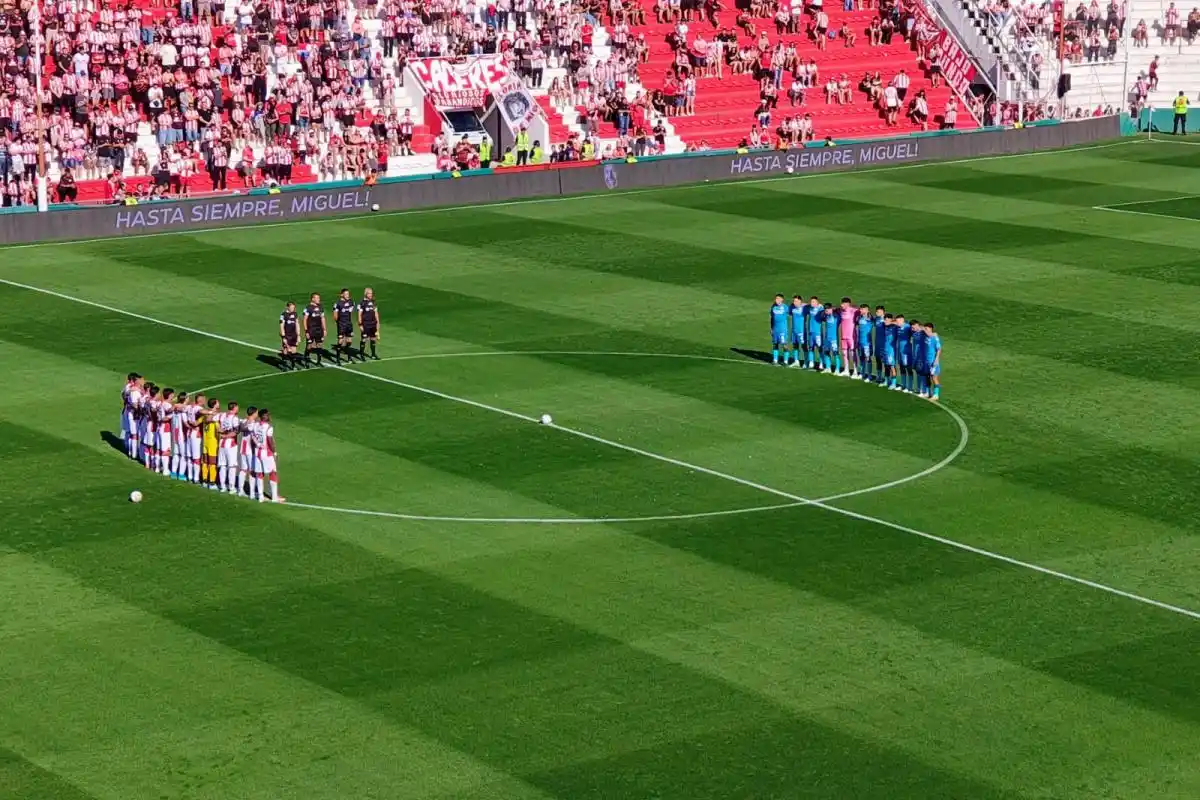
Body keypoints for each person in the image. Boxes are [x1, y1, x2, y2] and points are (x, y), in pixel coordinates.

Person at [218, 402, 242, 494]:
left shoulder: (223, 415)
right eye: (237, 407)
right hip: (230, 444)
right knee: (231, 466)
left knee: (222, 465)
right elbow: (236, 431)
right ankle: (231, 488)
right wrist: (226, 436)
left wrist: (222, 432)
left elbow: (216, 423)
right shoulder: (235, 418)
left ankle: (222, 486)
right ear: (234, 408)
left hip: (221, 444)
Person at [333, 288, 356, 363]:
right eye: (346, 294)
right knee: (340, 341)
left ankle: (349, 357)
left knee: (349, 341)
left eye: (348, 294)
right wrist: (339, 323)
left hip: (349, 324)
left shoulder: (351, 302)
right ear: (341, 294)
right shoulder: (338, 304)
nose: (347, 295)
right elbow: (335, 316)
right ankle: (338, 359)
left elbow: (351, 310)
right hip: (341, 324)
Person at [201, 398, 221, 489]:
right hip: (213, 442)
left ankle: (204, 480)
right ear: (215, 404)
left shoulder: (205, 414)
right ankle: (212, 483)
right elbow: (217, 427)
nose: (219, 403)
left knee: (205, 462)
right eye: (218, 402)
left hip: (205, 441)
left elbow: (197, 422)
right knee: (212, 462)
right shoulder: (215, 415)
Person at [303, 293, 326, 366]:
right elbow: (304, 320)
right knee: (309, 345)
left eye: (319, 298)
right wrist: (306, 331)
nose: (319, 299)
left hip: (319, 329)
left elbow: (322, 318)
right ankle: (306, 359)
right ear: (313, 299)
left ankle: (319, 361)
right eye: (317, 298)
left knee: (319, 345)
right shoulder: (308, 308)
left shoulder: (320, 307)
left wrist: (324, 329)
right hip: (311, 329)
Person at [358, 287, 381, 360]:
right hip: (365, 324)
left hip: (373, 323)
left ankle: (373, 354)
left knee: (373, 339)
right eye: (369, 293)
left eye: (371, 293)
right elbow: (359, 314)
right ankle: (361, 355)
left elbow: (376, 313)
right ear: (365, 294)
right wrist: (360, 324)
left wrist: (378, 322)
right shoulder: (362, 303)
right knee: (364, 339)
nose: (371, 295)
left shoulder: (373, 302)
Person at [837, 296, 856, 376]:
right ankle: (846, 369)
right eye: (841, 303)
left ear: (848, 304)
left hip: (851, 337)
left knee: (852, 354)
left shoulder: (853, 311)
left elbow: (864, 312)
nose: (842, 305)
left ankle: (855, 371)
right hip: (843, 336)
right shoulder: (840, 311)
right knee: (844, 354)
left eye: (843, 304)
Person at [923, 323, 942, 401]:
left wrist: (936, 359)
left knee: (934, 377)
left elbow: (939, 349)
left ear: (931, 329)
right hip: (927, 361)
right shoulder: (926, 336)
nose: (925, 331)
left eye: (926, 329)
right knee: (927, 377)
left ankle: (936, 394)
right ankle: (928, 393)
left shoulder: (935, 337)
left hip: (933, 362)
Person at [893, 313, 912, 392]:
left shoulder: (908, 327)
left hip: (906, 351)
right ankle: (903, 385)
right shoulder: (898, 327)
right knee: (901, 367)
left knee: (908, 368)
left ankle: (909, 387)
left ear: (902, 320)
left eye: (898, 322)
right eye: (896, 322)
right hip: (899, 351)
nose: (897, 323)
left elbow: (916, 330)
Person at [855, 304, 873, 381]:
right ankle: (862, 373)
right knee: (861, 357)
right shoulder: (859, 318)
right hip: (860, 341)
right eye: (860, 309)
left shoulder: (870, 318)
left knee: (868, 358)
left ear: (867, 310)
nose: (861, 310)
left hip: (867, 343)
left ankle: (869, 375)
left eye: (863, 309)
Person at [280, 301, 300, 369]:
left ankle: (293, 365)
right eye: (291, 307)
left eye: (293, 308)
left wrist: (298, 335)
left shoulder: (295, 314)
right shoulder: (283, 315)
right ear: (287, 307)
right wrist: (283, 337)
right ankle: (284, 366)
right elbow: (281, 326)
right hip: (287, 335)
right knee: (285, 349)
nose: (293, 309)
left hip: (293, 335)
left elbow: (297, 324)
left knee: (294, 350)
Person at [770, 293, 789, 364]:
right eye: (776, 299)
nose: (776, 300)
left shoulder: (785, 307)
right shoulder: (773, 307)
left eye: (778, 299)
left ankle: (786, 361)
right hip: (775, 329)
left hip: (783, 329)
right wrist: (771, 328)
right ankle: (775, 360)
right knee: (775, 344)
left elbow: (793, 310)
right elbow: (772, 318)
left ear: (782, 299)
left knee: (784, 344)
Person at [910, 320, 927, 396]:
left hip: (922, 356)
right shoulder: (913, 332)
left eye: (913, 326)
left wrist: (923, 328)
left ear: (917, 325)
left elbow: (932, 334)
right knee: (917, 372)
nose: (912, 328)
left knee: (923, 373)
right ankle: (919, 388)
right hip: (915, 355)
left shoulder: (923, 332)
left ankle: (924, 390)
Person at [788, 295, 806, 367]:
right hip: (794, 330)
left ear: (800, 301)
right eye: (794, 301)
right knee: (795, 345)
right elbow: (789, 312)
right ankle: (796, 361)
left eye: (796, 301)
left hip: (801, 331)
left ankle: (806, 361)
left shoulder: (804, 308)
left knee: (803, 346)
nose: (794, 302)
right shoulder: (792, 307)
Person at [806, 296, 823, 369]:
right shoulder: (809, 308)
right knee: (811, 347)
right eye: (811, 301)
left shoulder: (820, 308)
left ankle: (821, 363)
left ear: (817, 302)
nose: (812, 303)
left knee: (819, 348)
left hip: (818, 332)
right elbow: (804, 305)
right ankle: (811, 362)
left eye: (813, 302)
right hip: (811, 331)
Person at [822, 302, 839, 373]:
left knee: (835, 353)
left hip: (834, 338)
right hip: (827, 338)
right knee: (826, 352)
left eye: (827, 309)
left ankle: (837, 369)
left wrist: (834, 309)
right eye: (825, 309)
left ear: (831, 309)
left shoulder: (836, 316)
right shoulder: (826, 316)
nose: (826, 311)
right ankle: (828, 368)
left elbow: (840, 310)